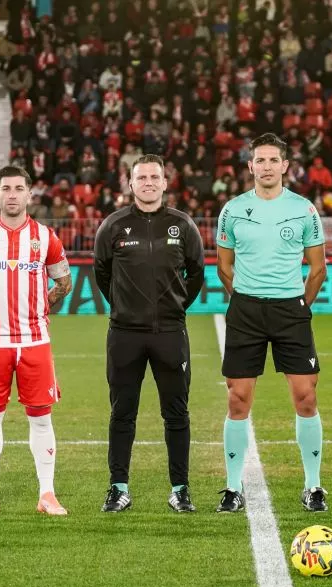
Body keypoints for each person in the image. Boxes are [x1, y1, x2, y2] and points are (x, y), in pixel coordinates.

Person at [215, 133, 328, 513]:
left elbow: (318, 269)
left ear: (285, 166)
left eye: (272, 161)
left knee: (306, 397)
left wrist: (299, 306)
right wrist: (246, 298)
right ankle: (233, 488)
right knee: (238, 399)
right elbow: (224, 267)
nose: (266, 167)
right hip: (246, 311)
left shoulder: (303, 209)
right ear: (250, 166)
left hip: (290, 311)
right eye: (259, 161)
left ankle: (313, 486)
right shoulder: (231, 210)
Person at [0, 165, 73, 517]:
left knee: (41, 417)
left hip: (35, 341)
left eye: (18, 188)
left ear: (28, 195)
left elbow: (64, 283)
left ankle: (47, 494)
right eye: (5, 188)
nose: (11, 194)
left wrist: (43, 305)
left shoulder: (45, 237)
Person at [93, 154, 205, 513]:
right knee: (122, 412)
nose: (148, 183)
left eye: (154, 177)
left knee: (176, 413)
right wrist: (125, 308)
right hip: (124, 334)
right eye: (141, 178)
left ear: (165, 182)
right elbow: (102, 274)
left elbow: (196, 274)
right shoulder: (112, 226)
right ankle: (118, 487)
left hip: (170, 333)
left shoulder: (182, 225)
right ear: (130, 184)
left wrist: (173, 309)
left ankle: (181, 488)